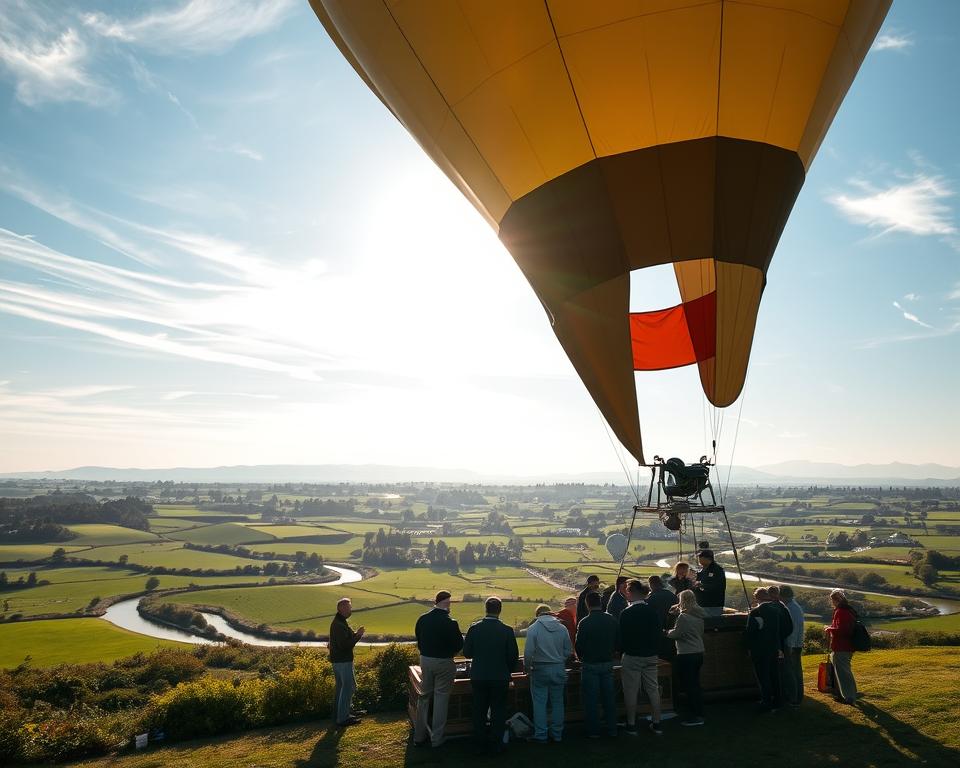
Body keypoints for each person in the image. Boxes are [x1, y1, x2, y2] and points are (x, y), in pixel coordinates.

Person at [463, 596, 520, 755]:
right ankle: (496, 744)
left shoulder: (474, 629)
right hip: (500, 676)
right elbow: (513, 656)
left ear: (485, 609)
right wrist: (506, 670)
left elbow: (467, 653)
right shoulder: (507, 630)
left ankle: (480, 743)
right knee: (498, 710)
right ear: (500, 610)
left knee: (479, 710)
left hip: (479, 675)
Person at [413, 591, 464, 748]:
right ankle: (437, 738)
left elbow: (419, 641)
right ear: (447, 603)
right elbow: (458, 646)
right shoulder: (450, 623)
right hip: (444, 662)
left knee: (424, 697)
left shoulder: (422, 619)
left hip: (425, 660)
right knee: (441, 699)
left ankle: (419, 736)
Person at [618, 580, 663, 736]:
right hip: (650, 655)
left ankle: (631, 724)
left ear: (631, 592)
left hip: (632, 656)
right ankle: (657, 723)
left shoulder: (626, 613)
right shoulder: (652, 612)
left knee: (631, 691)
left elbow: (621, 637)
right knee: (653, 689)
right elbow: (658, 634)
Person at [524, 604, 573, 743]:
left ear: (537, 615)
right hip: (558, 667)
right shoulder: (562, 628)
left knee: (539, 703)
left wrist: (527, 667)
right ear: (550, 613)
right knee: (558, 702)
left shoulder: (534, 628)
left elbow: (528, 652)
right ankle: (557, 733)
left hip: (540, 668)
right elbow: (568, 650)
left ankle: (541, 734)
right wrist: (560, 660)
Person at [575, 591, 620, 739]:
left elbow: (579, 645)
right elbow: (617, 640)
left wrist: (581, 657)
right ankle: (612, 728)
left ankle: (594, 730)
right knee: (609, 698)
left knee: (591, 699)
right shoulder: (611, 620)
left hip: (590, 663)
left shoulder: (584, 622)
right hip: (607, 662)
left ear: (587, 604)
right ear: (601, 603)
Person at [666, 589, 706, 727]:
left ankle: (695, 715)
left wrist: (667, 632)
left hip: (686, 653)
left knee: (689, 685)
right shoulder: (699, 615)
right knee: (695, 684)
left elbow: (676, 634)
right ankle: (699, 711)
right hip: (699, 651)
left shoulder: (683, 617)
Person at [745, 588, 787, 711]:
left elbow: (750, 632)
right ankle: (778, 701)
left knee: (763, 677)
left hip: (760, 649)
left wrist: (747, 647)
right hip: (774, 647)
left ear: (757, 598)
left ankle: (766, 701)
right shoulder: (776, 611)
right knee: (774, 675)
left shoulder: (755, 613)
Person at [329, 597, 365, 727]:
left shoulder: (340, 622)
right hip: (343, 660)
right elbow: (345, 645)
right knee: (348, 687)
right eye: (349, 607)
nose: (351, 610)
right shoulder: (339, 625)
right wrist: (359, 635)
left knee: (342, 688)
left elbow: (345, 639)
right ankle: (343, 717)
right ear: (341, 609)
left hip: (338, 660)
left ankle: (342, 713)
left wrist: (355, 635)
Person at [824, 589, 858, 705]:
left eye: (833, 600)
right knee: (844, 672)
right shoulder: (847, 610)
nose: (832, 602)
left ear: (835, 600)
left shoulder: (841, 611)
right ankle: (846, 694)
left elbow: (844, 630)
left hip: (842, 646)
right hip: (846, 646)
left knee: (844, 673)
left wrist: (829, 629)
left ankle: (849, 697)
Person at [766, 586, 795, 704]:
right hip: (781, 643)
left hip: (777, 645)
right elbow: (789, 627)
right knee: (782, 671)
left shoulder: (774, 608)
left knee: (781, 671)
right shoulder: (783, 607)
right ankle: (785, 696)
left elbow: (787, 628)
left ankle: (784, 697)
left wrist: (778, 637)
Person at [780, 586, 805, 705]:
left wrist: (789, 646)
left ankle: (793, 698)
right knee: (795, 672)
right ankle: (797, 697)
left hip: (793, 646)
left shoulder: (791, 609)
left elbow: (793, 630)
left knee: (791, 672)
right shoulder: (793, 606)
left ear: (783, 596)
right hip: (796, 644)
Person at [693, 549, 726, 617]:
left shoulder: (717, 570)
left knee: (711, 624)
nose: (699, 560)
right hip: (701, 603)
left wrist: (703, 585)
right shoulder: (702, 570)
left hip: (713, 604)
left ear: (707, 558)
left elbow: (719, 586)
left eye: (700, 558)